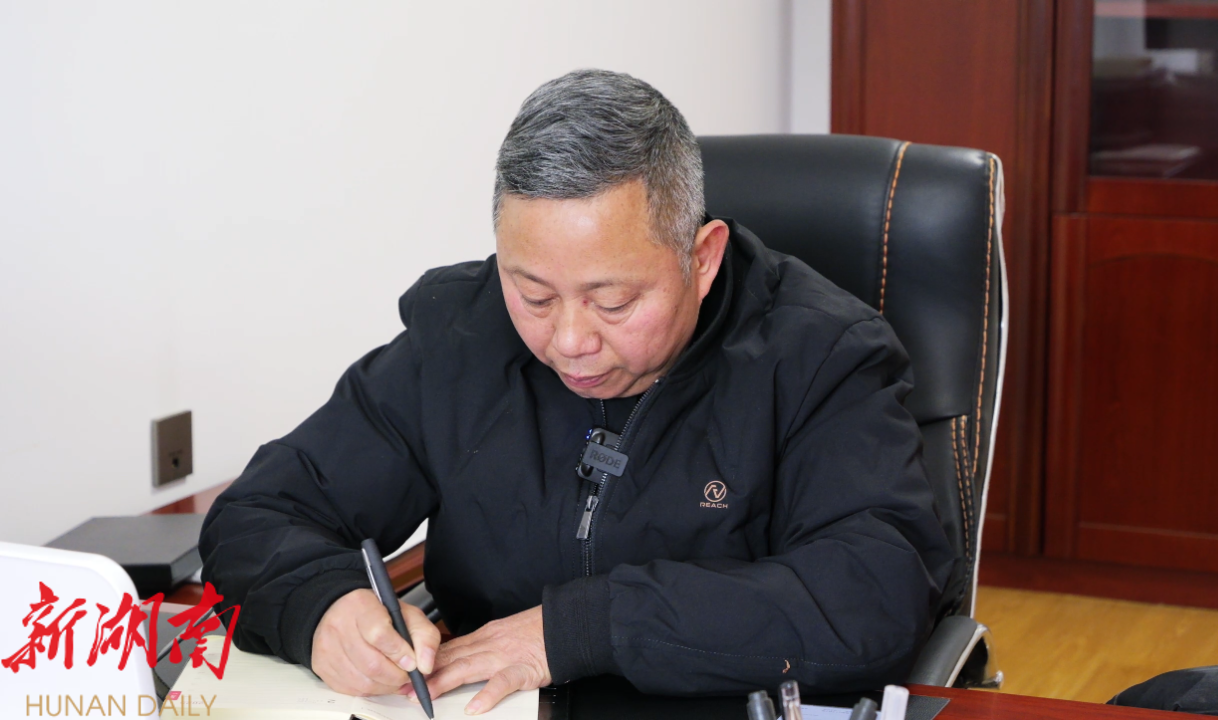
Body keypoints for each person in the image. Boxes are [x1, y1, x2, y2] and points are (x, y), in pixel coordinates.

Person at [200, 69, 954, 714]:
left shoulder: (823, 357)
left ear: (702, 258)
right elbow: (259, 514)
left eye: (612, 301)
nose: (568, 340)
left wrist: (582, 631)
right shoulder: (461, 338)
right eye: (533, 293)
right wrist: (321, 606)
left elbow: (874, 596)